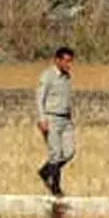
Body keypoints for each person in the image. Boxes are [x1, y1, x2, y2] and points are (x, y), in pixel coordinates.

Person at [37, 47, 75, 197]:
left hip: (66, 119)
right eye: (66, 61)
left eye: (71, 61)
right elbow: (39, 98)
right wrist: (42, 119)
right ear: (57, 60)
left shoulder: (67, 77)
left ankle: (46, 171)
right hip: (51, 118)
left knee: (69, 152)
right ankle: (56, 188)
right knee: (56, 154)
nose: (69, 64)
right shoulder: (47, 76)